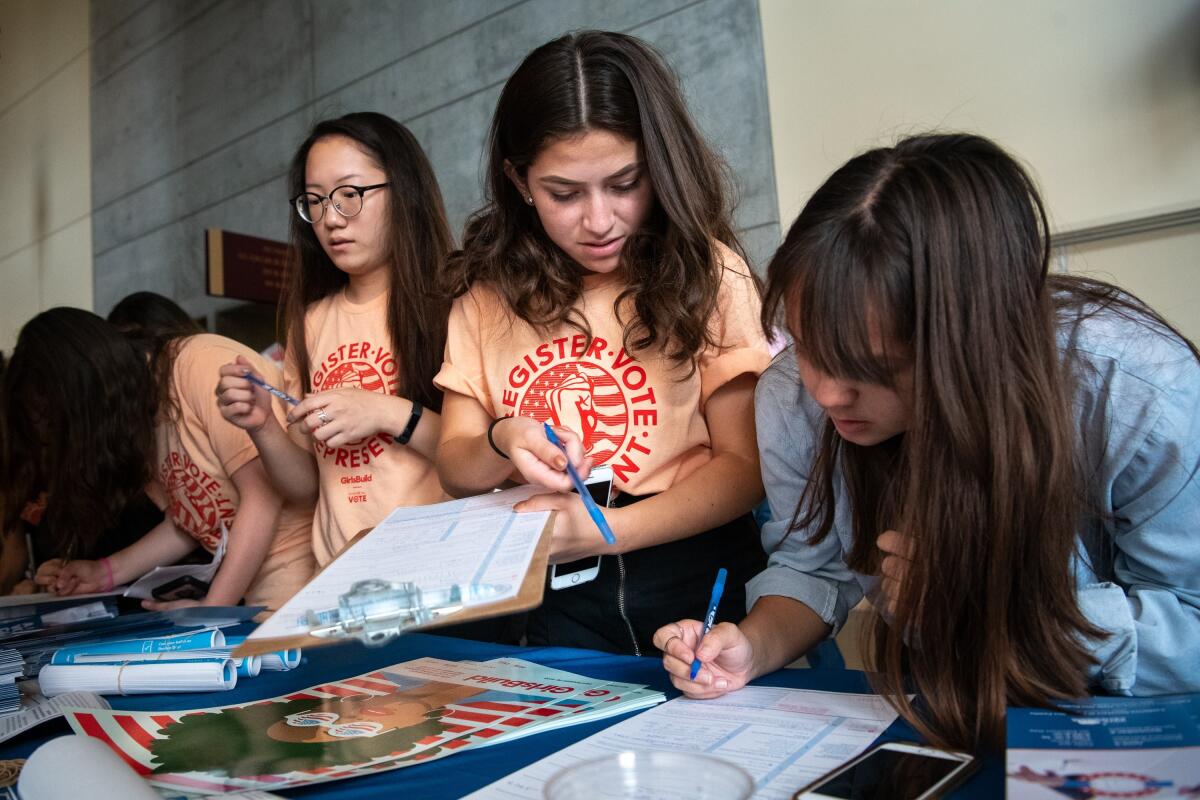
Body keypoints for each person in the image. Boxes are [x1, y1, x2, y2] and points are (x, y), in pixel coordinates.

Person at [654, 133, 1200, 749]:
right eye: (808, 348)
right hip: (943, 710)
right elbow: (813, 566)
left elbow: (1190, 623)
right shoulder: (793, 394)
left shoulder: (1138, 392)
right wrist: (752, 646)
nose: (828, 394)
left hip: (1135, 729)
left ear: (972, 340)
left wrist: (998, 609)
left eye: (873, 366)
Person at [435, 31, 770, 655]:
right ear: (518, 181)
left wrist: (607, 532)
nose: (599, 220)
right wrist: (503, 438)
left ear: (661, 165)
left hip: (689, 564)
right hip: (550, 586)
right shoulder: (485, 295)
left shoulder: (708, 273)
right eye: (564, 194)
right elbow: (456, 466)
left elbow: (746, 468)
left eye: (625, 183)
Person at [216, 112, 451, 568]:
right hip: (341, 578)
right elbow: (307, 485)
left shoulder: (455, 302)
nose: (330, 220)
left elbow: (485, 455)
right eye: (315, 202)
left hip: (439, 569)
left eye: (350, 195)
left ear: (404, 192)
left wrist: (383, 411)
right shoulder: (310, 323)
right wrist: (262, 423)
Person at [20, 305, 312, 611]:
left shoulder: (201, 364)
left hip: (302, 586)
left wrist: (212, 609)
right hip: (261, 593)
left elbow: (262, 498)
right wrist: (105, 572)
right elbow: (191, 520)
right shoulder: (140, 415)